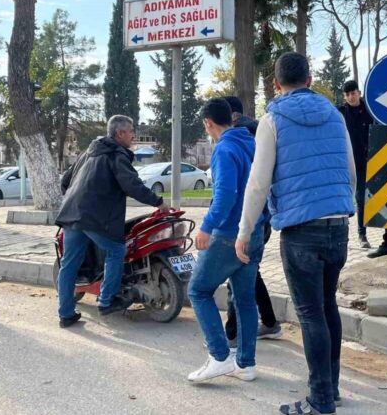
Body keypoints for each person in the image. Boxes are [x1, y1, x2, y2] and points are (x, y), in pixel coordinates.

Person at [236, 52, 356, 415]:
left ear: (276, 84)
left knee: (310, 314)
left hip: (301, 231)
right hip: (338, 226)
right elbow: (350, 169)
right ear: (309, 79)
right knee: (327, 306)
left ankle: (319, 400)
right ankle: (330, 389)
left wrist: (244, 231)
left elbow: (258, 183)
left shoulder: (272, 120)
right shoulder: (336, 115)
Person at [54, 115, 169, 328]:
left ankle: (65, 314)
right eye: (131, 131)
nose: (134, 135)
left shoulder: (89, 152)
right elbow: (131, 185)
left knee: (69, 264)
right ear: (120, 134)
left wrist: (76, 199)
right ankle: (106, 301)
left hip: (71, 214)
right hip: (96, 217)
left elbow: (65, 181)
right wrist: (158, 202)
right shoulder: (116, 154)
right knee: (116, 250)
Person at [187, 99, 266, 383]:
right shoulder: (252, 144)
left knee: (198, 291)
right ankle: (245, 364)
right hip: (255, 230)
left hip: (228, 234)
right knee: (245, 299)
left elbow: (225, 197)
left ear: (208, 123)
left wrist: (206, 228)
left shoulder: (224, 149)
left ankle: (219, 356)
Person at [222, 95, 282, 346]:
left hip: (246, 216)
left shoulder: (237, 137)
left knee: (237, 274)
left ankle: (233, 334)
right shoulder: (261, 131)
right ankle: (269, 322)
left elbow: (237, 186)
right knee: (250, 271)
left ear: (232, 116)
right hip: (264, 214)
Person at [338, 80, 374, 250]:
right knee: (343, 199)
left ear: (359, 93)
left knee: (361, 199)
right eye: (347, 95)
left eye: (353, 93)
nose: (350, 97)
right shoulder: (341, 113)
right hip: (345, 163)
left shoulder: (370, 110)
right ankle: (342, 235)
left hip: (367, 162)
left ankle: (362, 234)